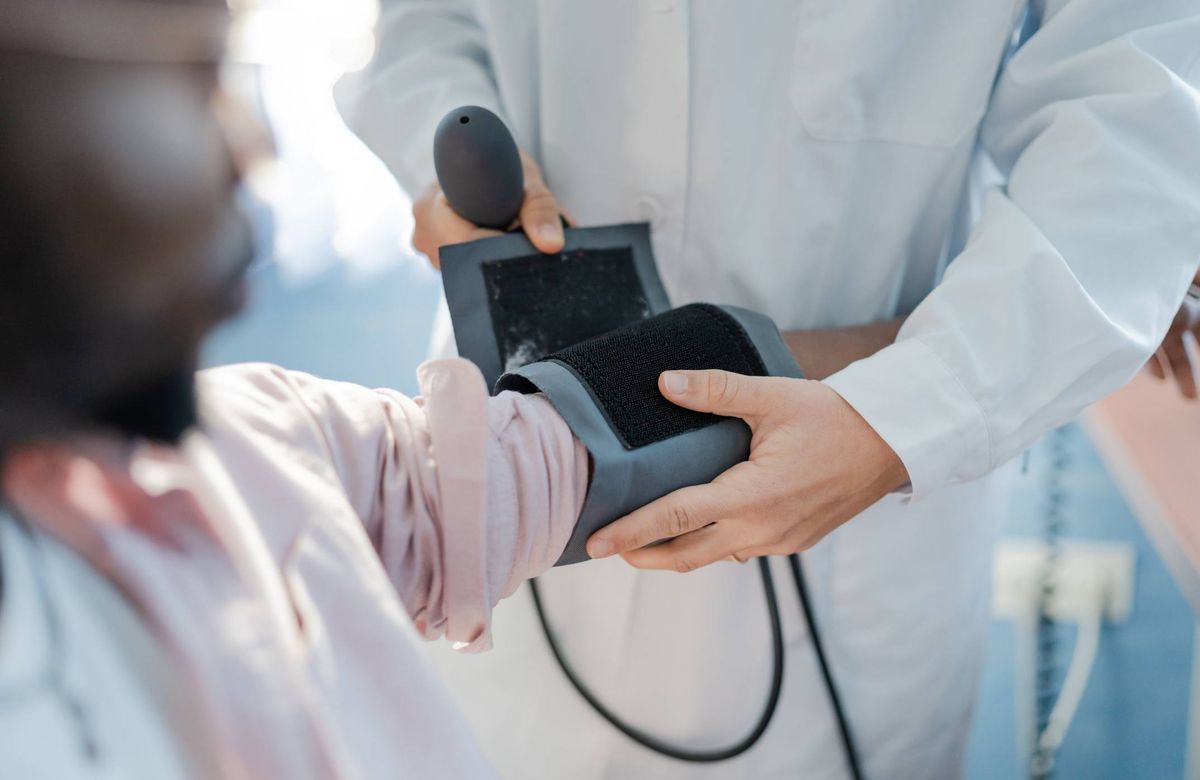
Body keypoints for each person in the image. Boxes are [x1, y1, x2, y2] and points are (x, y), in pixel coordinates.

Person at [341, 1, 1200, 777]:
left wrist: (900, 417)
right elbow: (426, 21)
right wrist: (439, 161)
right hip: (522, 470)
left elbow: (1137, 112)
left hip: (857, 517)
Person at [0, 2, 599, 777]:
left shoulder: (250, 448)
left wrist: (752, 380)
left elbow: (510, 467)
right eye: (200, 82)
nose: (254, 150)